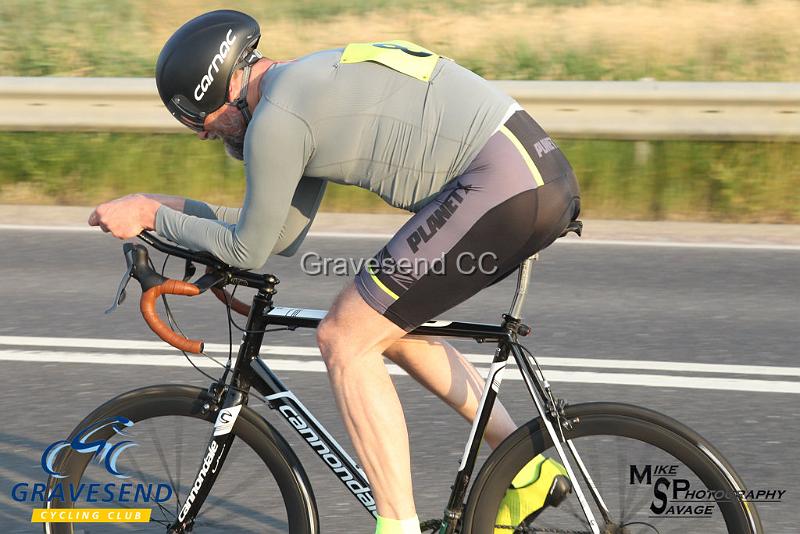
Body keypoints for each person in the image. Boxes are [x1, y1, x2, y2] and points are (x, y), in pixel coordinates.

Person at [88, 10, 580, 534]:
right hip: (535, 178)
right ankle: (525, 467)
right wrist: (156, 209)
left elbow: (249, 250)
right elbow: (278, 235)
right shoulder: (297, 91)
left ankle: (398, 526)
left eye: (197, 120)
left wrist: (150, 215)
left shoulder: (278, 119)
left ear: (219, 90)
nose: (204, 137)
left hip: (500, 186)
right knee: (387, 327)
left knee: (344, 337)